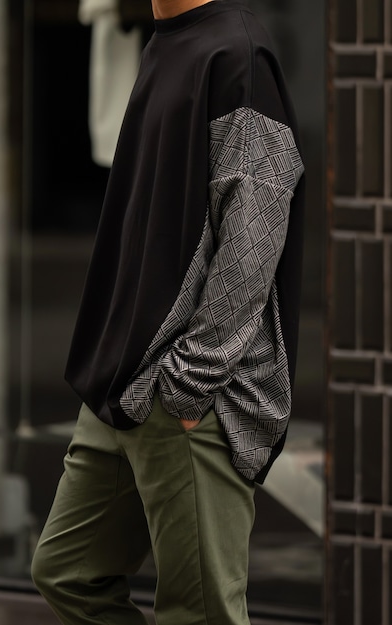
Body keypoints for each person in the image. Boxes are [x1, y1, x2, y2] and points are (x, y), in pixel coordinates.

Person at [32, 0, 305, 623]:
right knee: (68, 573)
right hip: (122, 383)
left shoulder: (238, 55)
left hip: (189, 396)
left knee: (199, 615)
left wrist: (188, 382)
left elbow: (253, 242)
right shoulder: (166, 42)